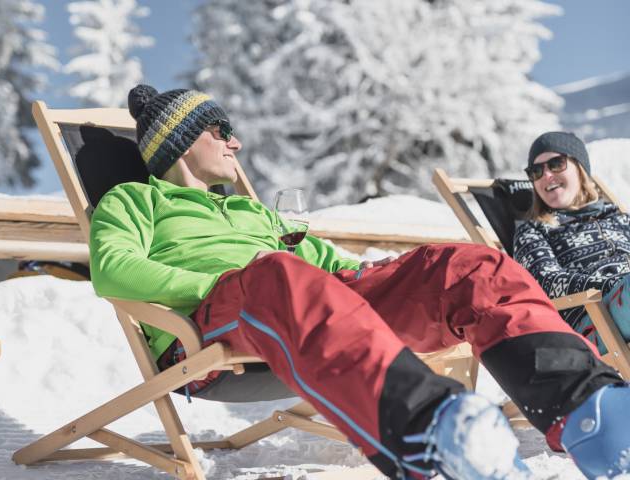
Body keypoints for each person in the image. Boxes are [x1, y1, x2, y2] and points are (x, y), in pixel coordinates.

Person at [89, 85, 630, 480]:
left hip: (300, 305)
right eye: (221, 132)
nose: (236, 143)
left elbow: (321, 259)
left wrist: (388, 275)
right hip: (216, 324)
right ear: (183, 142)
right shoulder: (136, 200)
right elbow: (113, 268)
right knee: (276, 272)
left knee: (467, 266)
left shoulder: (250, 212)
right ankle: (427, 430)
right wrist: (216, 284)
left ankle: (589, 413)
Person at [514, 131, 630, 355]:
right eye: (536, 171)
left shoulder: (619, 217)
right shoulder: (533, 230)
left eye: (556, 164)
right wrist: (610, 284)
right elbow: (547, 282)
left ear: (580, 167)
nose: (546, 175)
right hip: (596, 320)